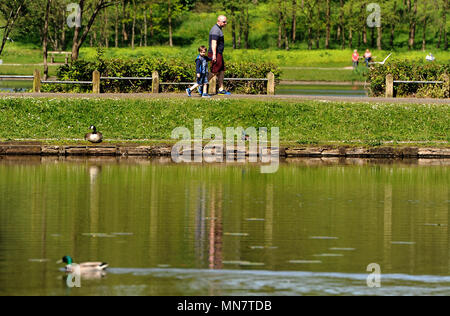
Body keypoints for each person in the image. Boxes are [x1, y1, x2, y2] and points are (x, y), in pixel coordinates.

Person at [208, 15, 231, 95]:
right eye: (224, 22)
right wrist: (214, 55)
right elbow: (213, 43)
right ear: (219, 21)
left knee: (221, 71)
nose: (226, 23)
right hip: (215, 53)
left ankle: (221, 89)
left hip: (219, 53)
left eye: (226, 21)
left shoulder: (219, 29)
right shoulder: (215, 30)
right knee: (214, 71)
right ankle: (199, 85)